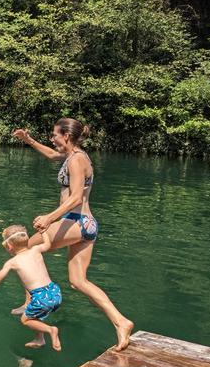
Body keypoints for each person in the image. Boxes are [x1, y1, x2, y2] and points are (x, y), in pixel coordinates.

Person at [12, 118, 133, 351]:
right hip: (87, 225)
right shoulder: (75, 156)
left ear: (66, 136)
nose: (52, 139)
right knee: (78, 281)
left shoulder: (76, 160)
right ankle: (121, 322)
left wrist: (50, 217)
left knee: (24, 249)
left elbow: (76, 197)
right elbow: (50, 155)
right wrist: (28, 140)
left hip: (76, 221)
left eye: (55, 135)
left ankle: (31, 306)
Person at [0, 225, 62, 350]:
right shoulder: (36, 249)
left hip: (40, 297)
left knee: (26, 320)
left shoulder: (13, 262)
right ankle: (40, 339)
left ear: (9, 246)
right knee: (34, 315)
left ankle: (51, 330)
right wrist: (43, 231)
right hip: (55, 292)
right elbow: (47, 244)